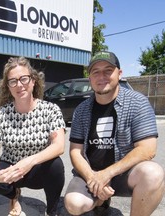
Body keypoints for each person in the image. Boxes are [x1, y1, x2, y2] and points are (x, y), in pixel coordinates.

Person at [64, 51, 165, 216]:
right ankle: (101, 200)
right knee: (74, 204)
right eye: (96, 72)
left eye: (108, 70)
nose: (101, 76)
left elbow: (147, 149)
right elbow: (75, 151)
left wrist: (107, 174)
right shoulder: (81, 110)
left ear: (119, 73)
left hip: (124, 174)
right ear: (90, 78)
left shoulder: (138, 102)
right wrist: (93, 178)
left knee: (153, 173)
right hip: (91, 174)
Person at [0, 56, 66, 216]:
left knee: (56, 166)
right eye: (13, 81)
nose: (19, 85)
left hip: (38, 168)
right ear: (8, 86)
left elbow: (59, 146)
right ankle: (14, 196)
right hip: (11, 169)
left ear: (33, 81)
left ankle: (52, 210)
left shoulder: (50, 110)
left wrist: (29, 161)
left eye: (24, 79)